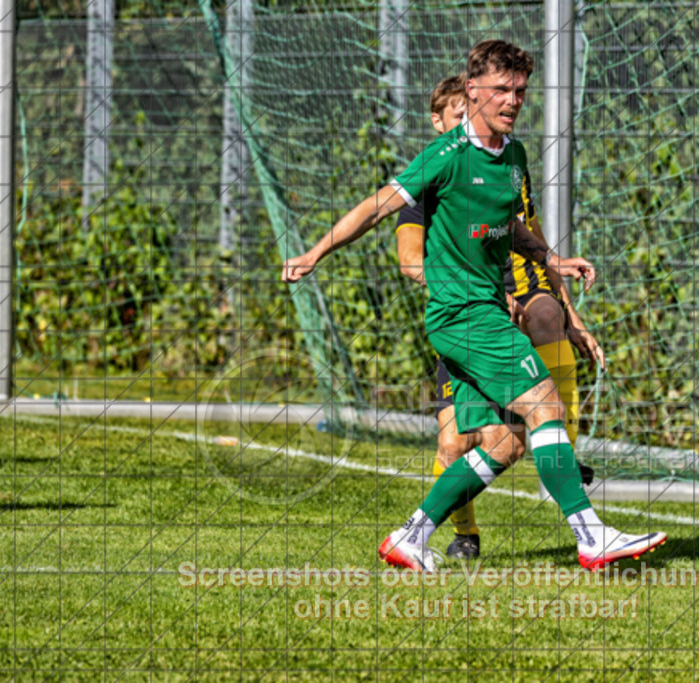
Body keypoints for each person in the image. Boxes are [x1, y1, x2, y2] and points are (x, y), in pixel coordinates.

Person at [282, 39, 666, 572]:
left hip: (480, 311)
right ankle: (591, 536)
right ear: (472, 90)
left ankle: (409, 537)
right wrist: (315, 252)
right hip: (465, 314)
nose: (512, 101)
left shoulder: (514, 156)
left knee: (504, 443)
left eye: (520, 91)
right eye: (501, 90)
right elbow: (375, 208)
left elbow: (508, 227)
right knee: (546, 407)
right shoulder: (445, 157)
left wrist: (552, 261)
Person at [395, 73, 602, 560]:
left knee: (548, 314)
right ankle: (451, 533)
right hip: (465, 310)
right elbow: (410, 261)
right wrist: (462, 287)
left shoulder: (507, 163)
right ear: (439, 121)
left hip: (510, 293)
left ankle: (566, 473)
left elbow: (530, 235)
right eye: (457, 117)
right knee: (459, 443)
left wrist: (573, 316)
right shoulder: (432, 179)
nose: (468, 124)